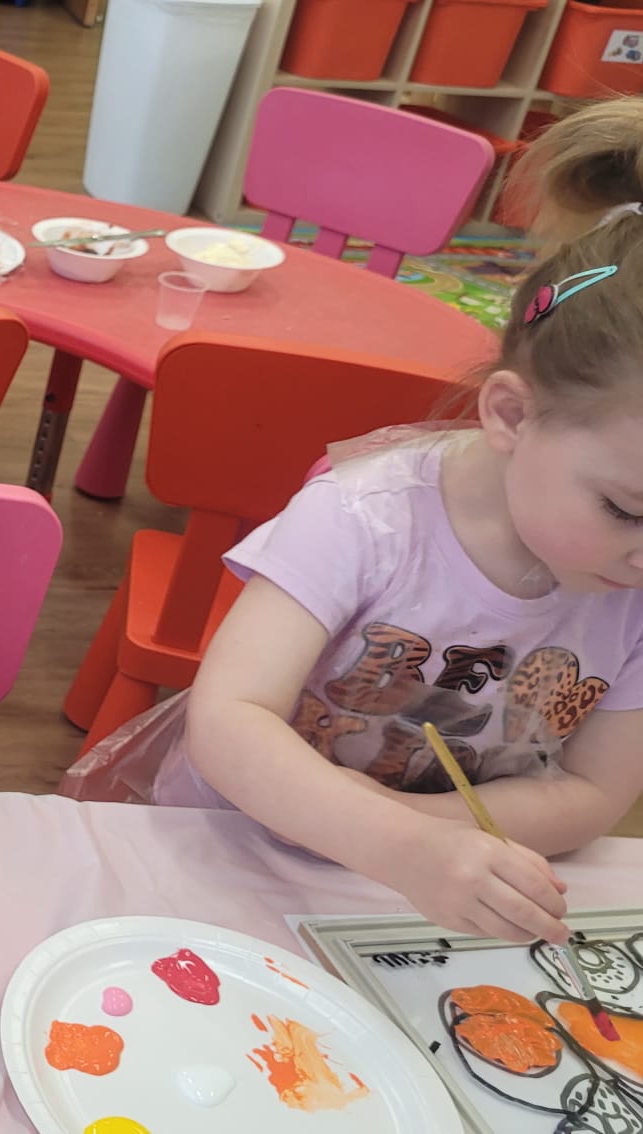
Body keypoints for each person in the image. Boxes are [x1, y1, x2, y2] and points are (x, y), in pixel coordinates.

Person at [62, 106, 643, 945]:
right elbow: (229, 720)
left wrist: (423, 844)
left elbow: (594, 794)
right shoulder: (365, 518)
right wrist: (398, 842)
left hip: (421, 898)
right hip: (232, 853)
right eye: (627, 510)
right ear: (513, 416)